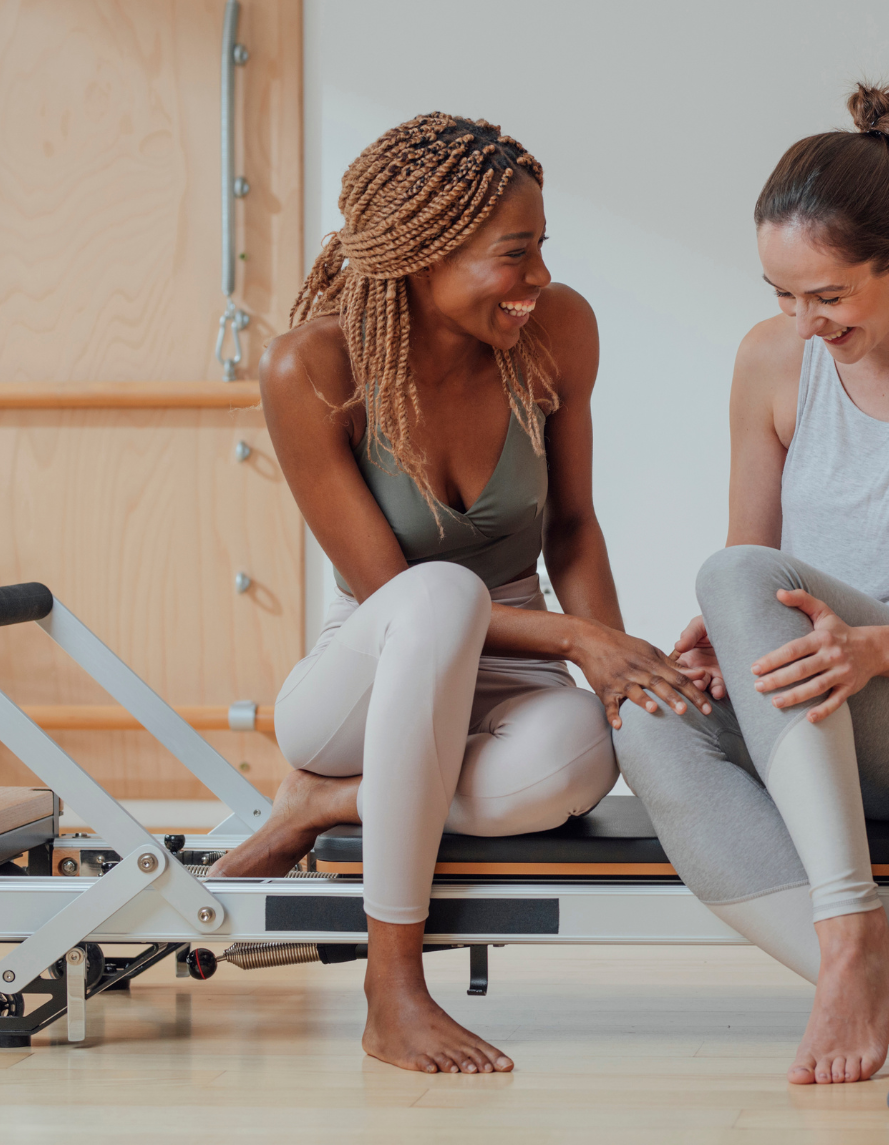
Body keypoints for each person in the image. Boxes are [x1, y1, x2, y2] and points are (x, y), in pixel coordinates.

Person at [207, 112, 712, 1076]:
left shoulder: (557, 334)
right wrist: (574, 641)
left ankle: (327, 805)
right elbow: (393, 592)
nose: (540, 281)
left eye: (543, 249)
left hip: (509, 669)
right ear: (422, 252)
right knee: (440, 595)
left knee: (582, 760)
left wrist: (614, 670)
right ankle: (391, 991)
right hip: (367, 672)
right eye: (513, 255)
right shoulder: (310, 368)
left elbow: (570, 527)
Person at [613, 84, 889, 1085]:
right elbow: (752, 569)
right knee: (642, 717)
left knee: (738, 578)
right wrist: (715, 643)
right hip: (802, 701)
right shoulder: (772, 360)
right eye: (780, 292)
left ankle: (854, 927)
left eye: (828, 295)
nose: (803, 321)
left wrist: (865, 649)